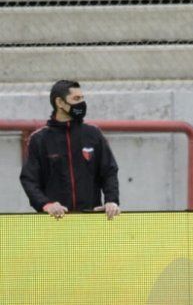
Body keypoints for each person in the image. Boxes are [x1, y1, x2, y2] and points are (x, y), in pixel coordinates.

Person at [20, 80, 120, 219]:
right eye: (76, 99)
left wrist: (111, 200)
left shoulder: (93, 134)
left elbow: (109, 171)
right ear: (60, 102)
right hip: (55, 220)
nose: (82, 103)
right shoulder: (39, 139)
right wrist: (46, 205)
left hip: (90, 218)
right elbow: (29, 180)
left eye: (82, 98)